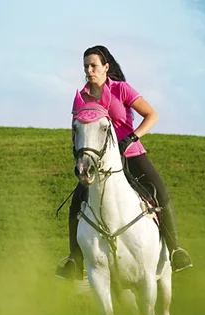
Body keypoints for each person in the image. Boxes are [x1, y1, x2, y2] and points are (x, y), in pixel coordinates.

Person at [55, 45, 193, 281]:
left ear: (105, 68)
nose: (89, 70)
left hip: (131, 154)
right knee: (76, 203)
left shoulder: (122, 89)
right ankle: (75, 259)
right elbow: (76, 129)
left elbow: (152, 116)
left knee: (160, 191)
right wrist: (79, 156)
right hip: (98, 162)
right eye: (86, 66)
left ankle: (175, 250)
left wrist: (132, 137)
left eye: (93, 65)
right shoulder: (81, 98)